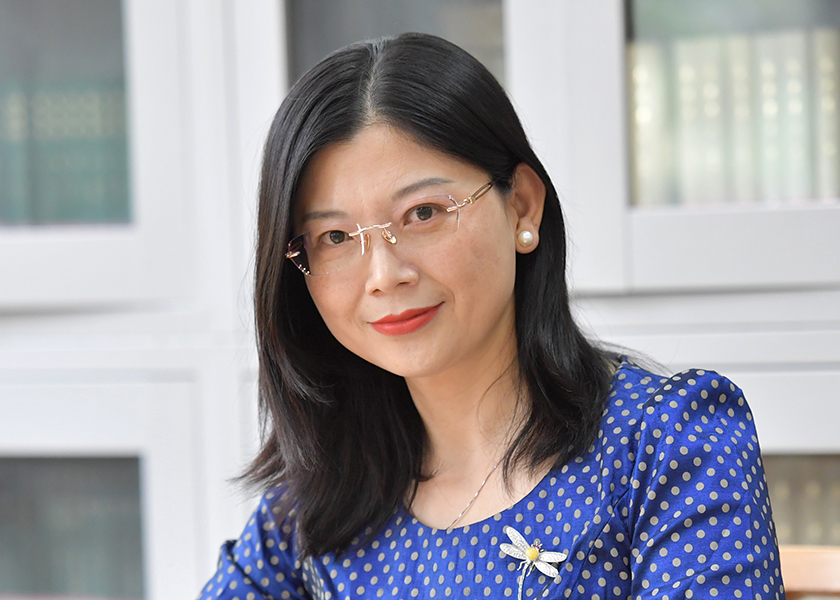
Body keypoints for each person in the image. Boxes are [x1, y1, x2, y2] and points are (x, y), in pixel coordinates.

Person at [199, 33, 783, 599]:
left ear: (521, 205)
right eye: (334, 237)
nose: (383, 274)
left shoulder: (668, 444)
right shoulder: (317, 501)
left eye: (423, 213)